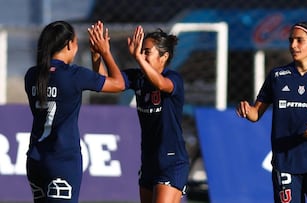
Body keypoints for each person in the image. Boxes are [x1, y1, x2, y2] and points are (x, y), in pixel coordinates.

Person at [236, 21, 307, 203]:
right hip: (286, 164)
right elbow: (255, 114)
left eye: (299, 40)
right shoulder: (277, 76)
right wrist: (246, 109)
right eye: (291, 40)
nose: (293, 45)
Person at [24, 20, 122, 203]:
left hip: (35, 159)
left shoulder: (31, 75)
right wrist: (104, 51)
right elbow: (118, 84)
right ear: (69, 44)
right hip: (62, 161)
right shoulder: (74, 75)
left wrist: (95, 58)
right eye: (76, 42)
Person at [92, 25, 190, 203]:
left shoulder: (173, 78)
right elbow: (106, 82)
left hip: (171, 161)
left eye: (147, 52)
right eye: (141, 51)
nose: (142, 55)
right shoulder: (138, 78)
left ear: (164, 56)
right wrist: (100, 53)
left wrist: (137, 57)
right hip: (149, 160)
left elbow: (161, 84)